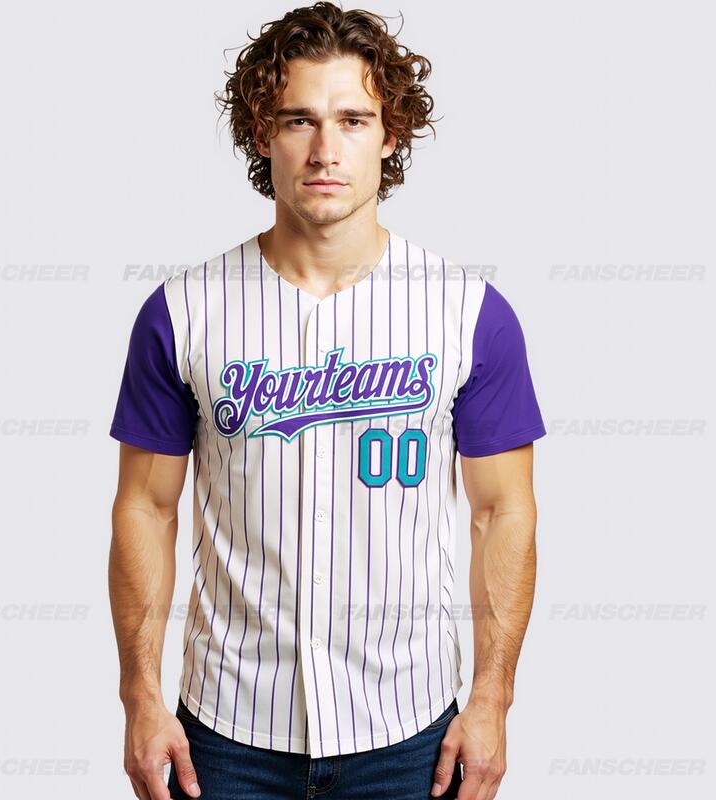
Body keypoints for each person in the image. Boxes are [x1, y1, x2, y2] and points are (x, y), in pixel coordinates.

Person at [108, 3, 546, 799]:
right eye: (298, 120)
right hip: (227, 736)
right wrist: (140, 696)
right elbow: (146, 507)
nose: (325, 149)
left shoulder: (470, 314)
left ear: (390, 134)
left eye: (353, 119)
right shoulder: (182, 312)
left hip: (409, 735)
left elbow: (502, 512)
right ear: (261, 133)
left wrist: (493, 698)